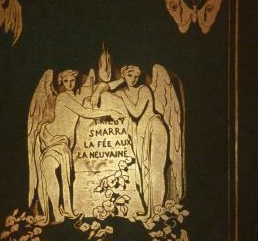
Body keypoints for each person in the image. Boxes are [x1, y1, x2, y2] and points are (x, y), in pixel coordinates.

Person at [37, 69, 121, 223]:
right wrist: (109, 111)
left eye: (72, 80)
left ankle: (61, 209)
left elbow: (105, 85)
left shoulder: (78, 96)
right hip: (51, 137)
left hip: (63, 142)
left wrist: (121, 81)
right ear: (62, 82)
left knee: (53, 170)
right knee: (48, 167)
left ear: (76, 80)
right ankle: (56, 211)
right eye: (66, 81)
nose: (69, 84)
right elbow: (84, 112)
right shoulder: (63, 97)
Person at [105, 65, 168, 224]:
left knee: (156, 171)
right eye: (129, 75)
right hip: (142, 133)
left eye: (136, 76)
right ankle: (149, 212)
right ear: (124, 75)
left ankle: (156, 211)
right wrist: (120, 81)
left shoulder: (143, 89)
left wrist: (122, 95)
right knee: (145, 172)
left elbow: (136, 112)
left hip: (155, 129)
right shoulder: (123, 90)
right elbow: (103, 90)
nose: (133, 79)